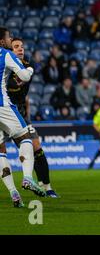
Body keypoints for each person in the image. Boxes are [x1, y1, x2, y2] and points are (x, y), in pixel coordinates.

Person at [7, 38, 59, 197]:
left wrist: (27, 114)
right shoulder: (5, 68)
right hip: (4, 113)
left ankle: (47, 186)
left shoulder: (27, 67)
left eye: (22, 46)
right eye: (16, 47)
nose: (20, 49)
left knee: (36, 146)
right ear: (10, 50)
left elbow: (24, 95)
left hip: (20, 114)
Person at [0, 28, 46, 208]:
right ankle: (27, 178)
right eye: (9, 37)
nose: (11, 39)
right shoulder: (5, 53)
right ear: (2, 41)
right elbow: (24, 76)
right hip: (2, 105)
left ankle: (13, 192)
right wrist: (30, 68)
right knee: (25, 137)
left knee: (1, 150)